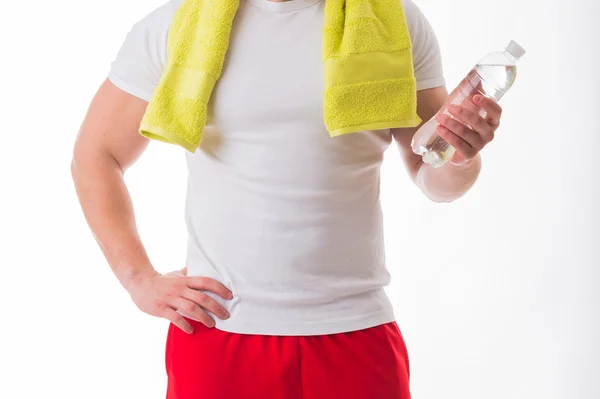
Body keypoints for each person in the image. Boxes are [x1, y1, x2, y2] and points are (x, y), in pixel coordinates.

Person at [72, 0, 504, 398]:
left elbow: (433, 175)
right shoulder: (175, 25)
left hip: (356, 331)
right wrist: (139, 280)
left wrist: (461, 157)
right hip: (219, 328)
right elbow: (97, 154)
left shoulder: (391, 22)